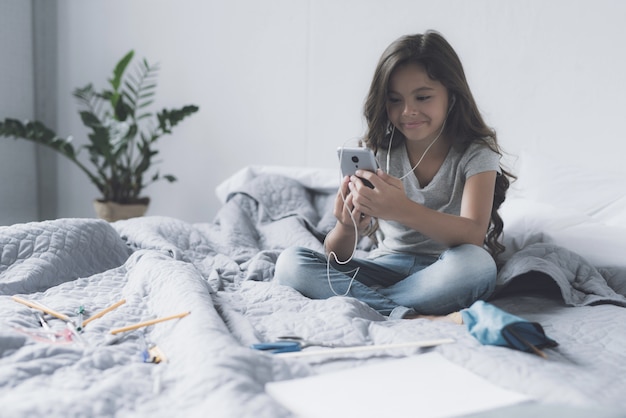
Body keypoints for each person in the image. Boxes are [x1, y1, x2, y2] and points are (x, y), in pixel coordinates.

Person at [273, 30, 514, 320]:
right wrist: (346, 228)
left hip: (446, 269)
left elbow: (473, 234)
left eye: (423, 97)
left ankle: (372, 304)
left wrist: (402, 210)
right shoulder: (377, 151)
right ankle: (406, 314)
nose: (408, 111)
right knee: (290, 263)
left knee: (479, 265)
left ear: (452, 96)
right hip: (386, 266)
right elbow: (337, 257)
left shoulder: (476, 153)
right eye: (395, 100)